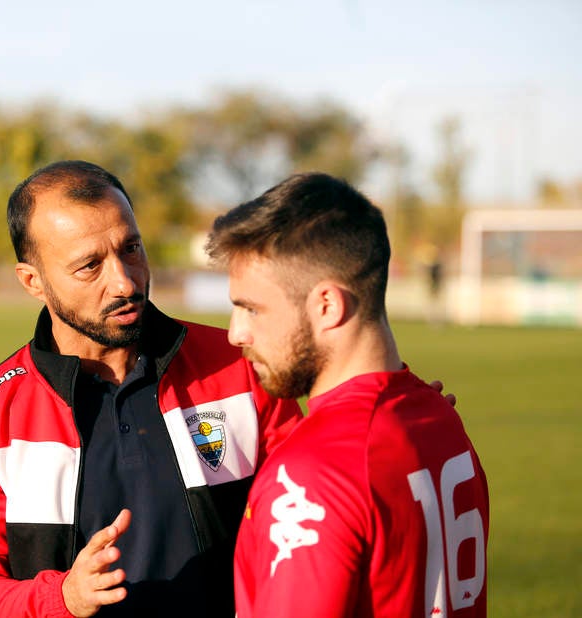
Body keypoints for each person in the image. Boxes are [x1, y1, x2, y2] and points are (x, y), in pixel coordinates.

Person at [0, 160, 304, 618]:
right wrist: (62, 599)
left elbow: (309, 515)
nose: (125, 281)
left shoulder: (239, 364)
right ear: (34, 281)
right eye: (90, 266)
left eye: (130, 248)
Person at [205, 173, 489, 617]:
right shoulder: (439, 416)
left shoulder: (313, 472)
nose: (236, 333)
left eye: (252, 308)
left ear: (327, 306)